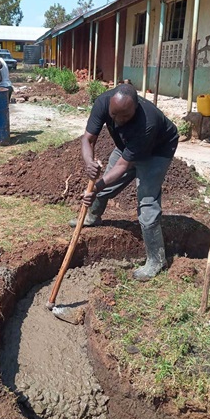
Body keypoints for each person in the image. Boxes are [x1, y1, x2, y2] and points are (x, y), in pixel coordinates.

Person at [73, 84, 179, 282]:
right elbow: (88, 139)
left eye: (124, 117)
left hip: (158, 151)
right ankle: (92, 217)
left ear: (135, 108)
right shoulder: (103, 103)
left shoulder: (148, 122)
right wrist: (89, 164)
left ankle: (156, 260)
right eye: (114, 116)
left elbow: (123, 167)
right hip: (127, 147)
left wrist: (95, 188)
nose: (118, 121)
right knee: (106, 185)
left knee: (147, 201)